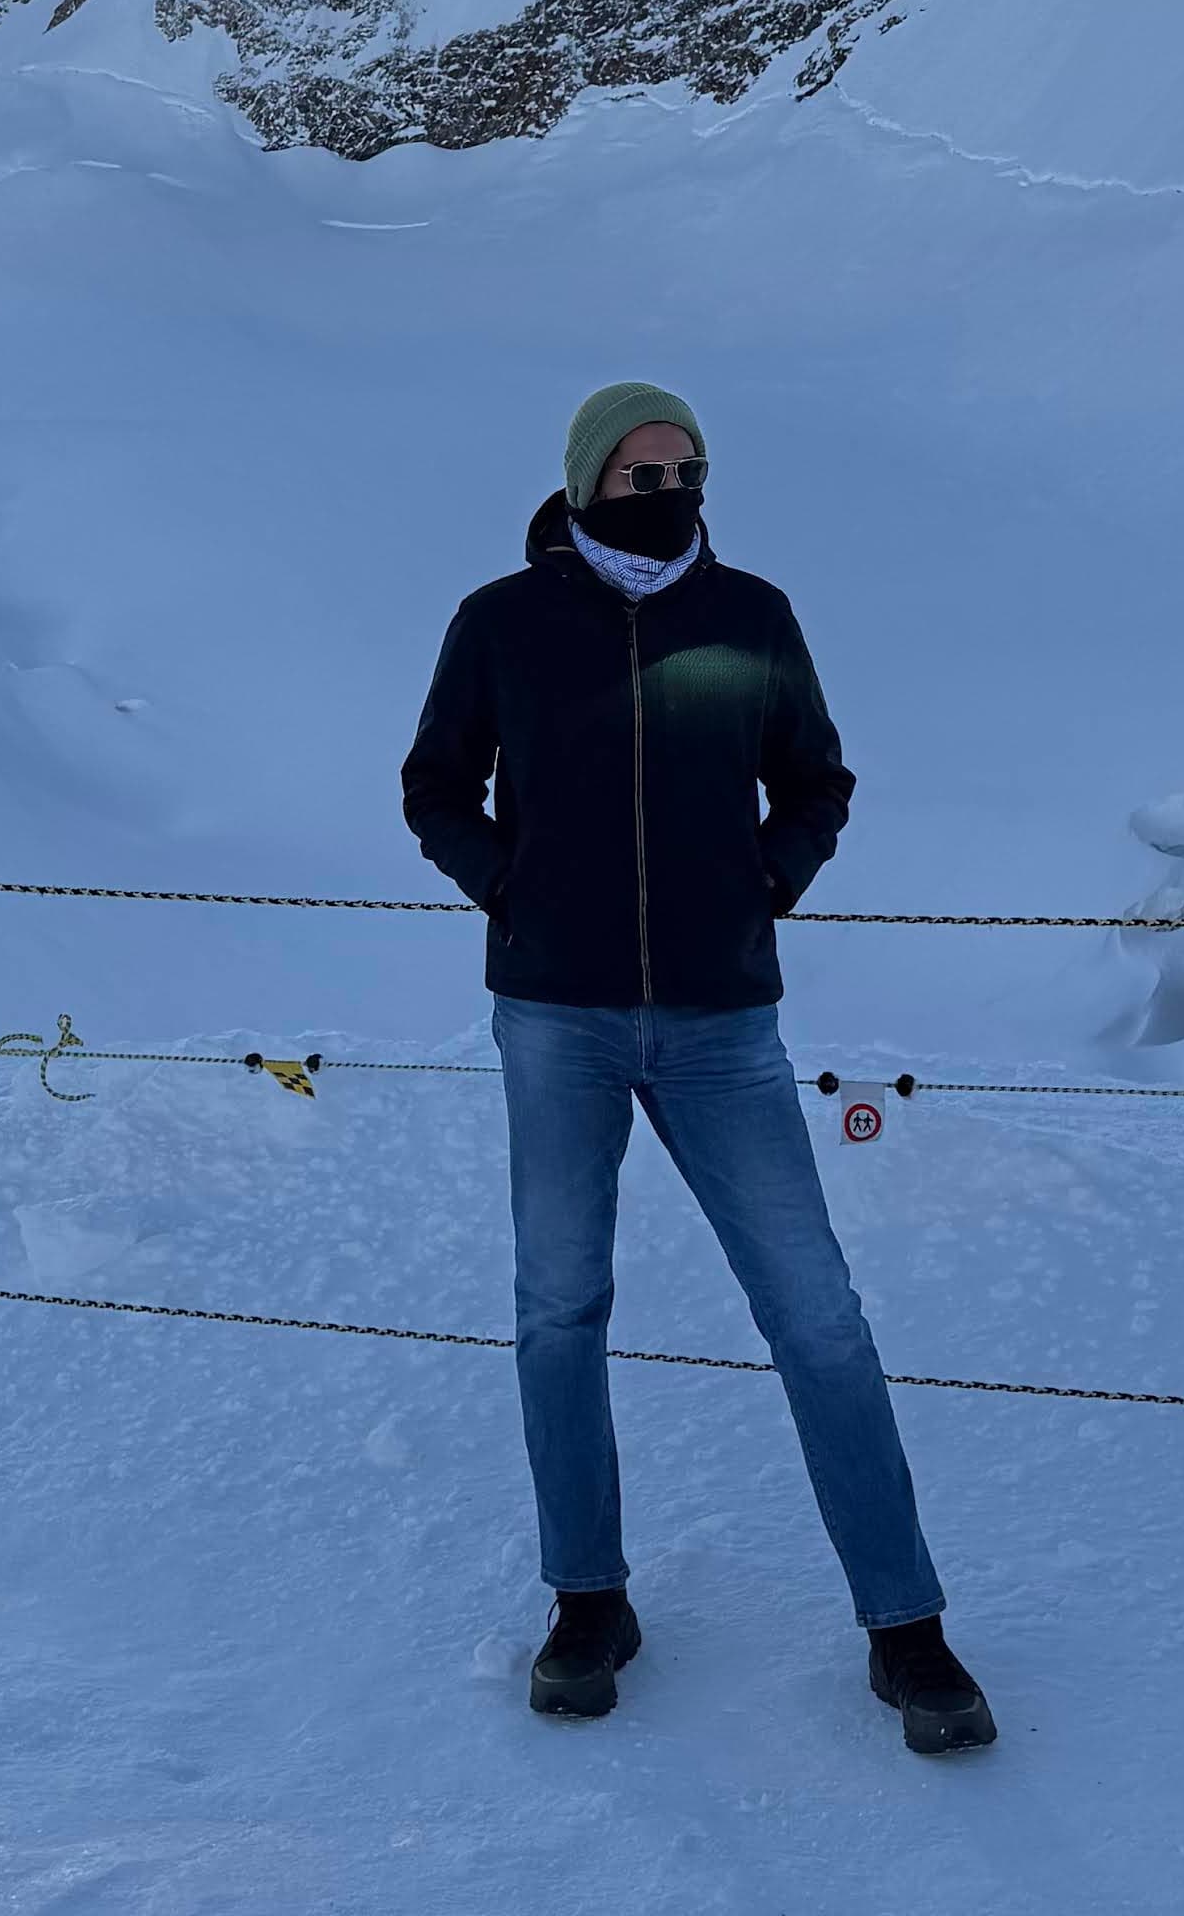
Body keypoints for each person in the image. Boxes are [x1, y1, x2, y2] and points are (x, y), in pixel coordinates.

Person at [400, 379, 994, 1754]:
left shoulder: (750, 615)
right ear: (587, 474)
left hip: (725, 1020)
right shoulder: (502, 622)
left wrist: (763, 880)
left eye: (690, 466)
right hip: (556, 1012)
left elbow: (817, 777)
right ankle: (588, 1601)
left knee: (818, 1314)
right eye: (644, 467)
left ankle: (905, 1627)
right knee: (560, 1307)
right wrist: (512, 887)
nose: (670, 488)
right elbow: (436, 784)